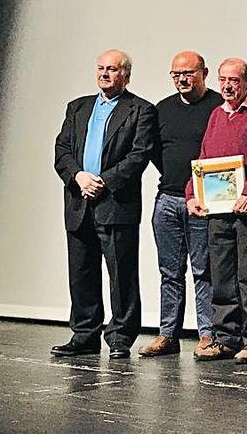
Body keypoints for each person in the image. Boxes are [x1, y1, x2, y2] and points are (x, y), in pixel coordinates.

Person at [53, 49, 157, 359]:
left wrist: (102, 182)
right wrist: (79, 177)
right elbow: (62, 150)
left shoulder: (140, 110)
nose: (104, 74)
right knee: (81, 272)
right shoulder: (78, 107)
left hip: (115, 204)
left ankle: (121, 337)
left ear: (126, 74)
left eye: (112, 69)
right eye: (100, 68)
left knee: (121, 274)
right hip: (78, 201)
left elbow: (139, 156)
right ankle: (84, 334)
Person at [186, 57, 247, 364]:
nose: (227, 86)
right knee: (221, 275)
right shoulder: (215, 115)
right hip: (217, 210)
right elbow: (204, 158)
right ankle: (225, 338)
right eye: (223, 80)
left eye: (234, 80)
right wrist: (191, 194)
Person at [138, 51, 222, 358]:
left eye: (188, 73)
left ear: (204, 73)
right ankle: (167, 334)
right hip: (167, 199)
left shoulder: (217, 107)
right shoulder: (162, 109)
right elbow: (156, 153)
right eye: (176, 74)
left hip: (202, 201)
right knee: (169, 271)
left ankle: (206, 334)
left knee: (203, 270)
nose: (182, 79)